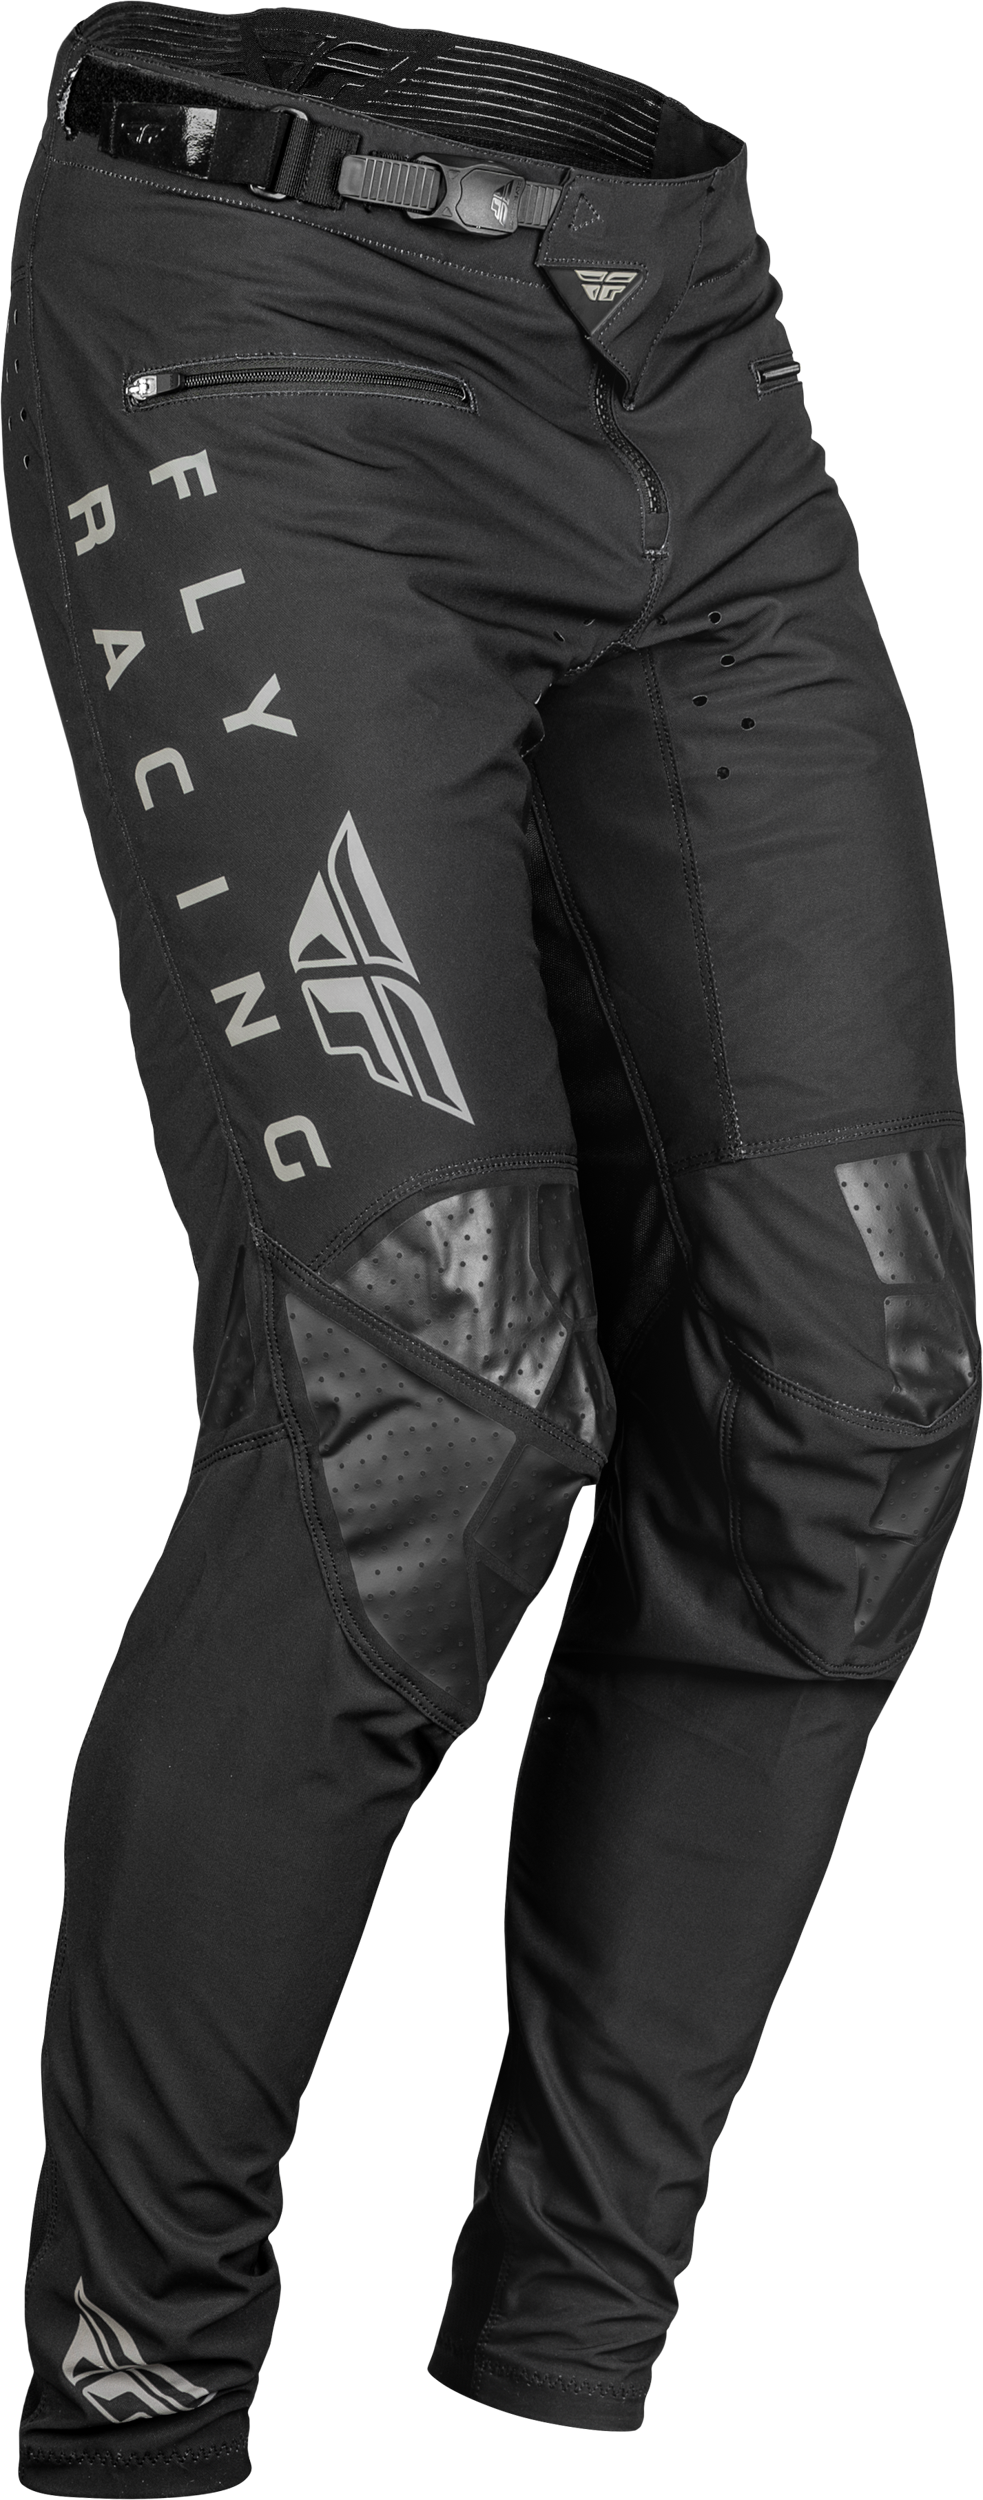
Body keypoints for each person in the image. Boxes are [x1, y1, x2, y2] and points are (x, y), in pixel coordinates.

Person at [6, 9, 979, 2497]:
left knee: (845, 1396)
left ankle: (548, 2410)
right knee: (428, 1410)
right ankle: (132, 2405)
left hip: (689, 351)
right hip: (273, 319)